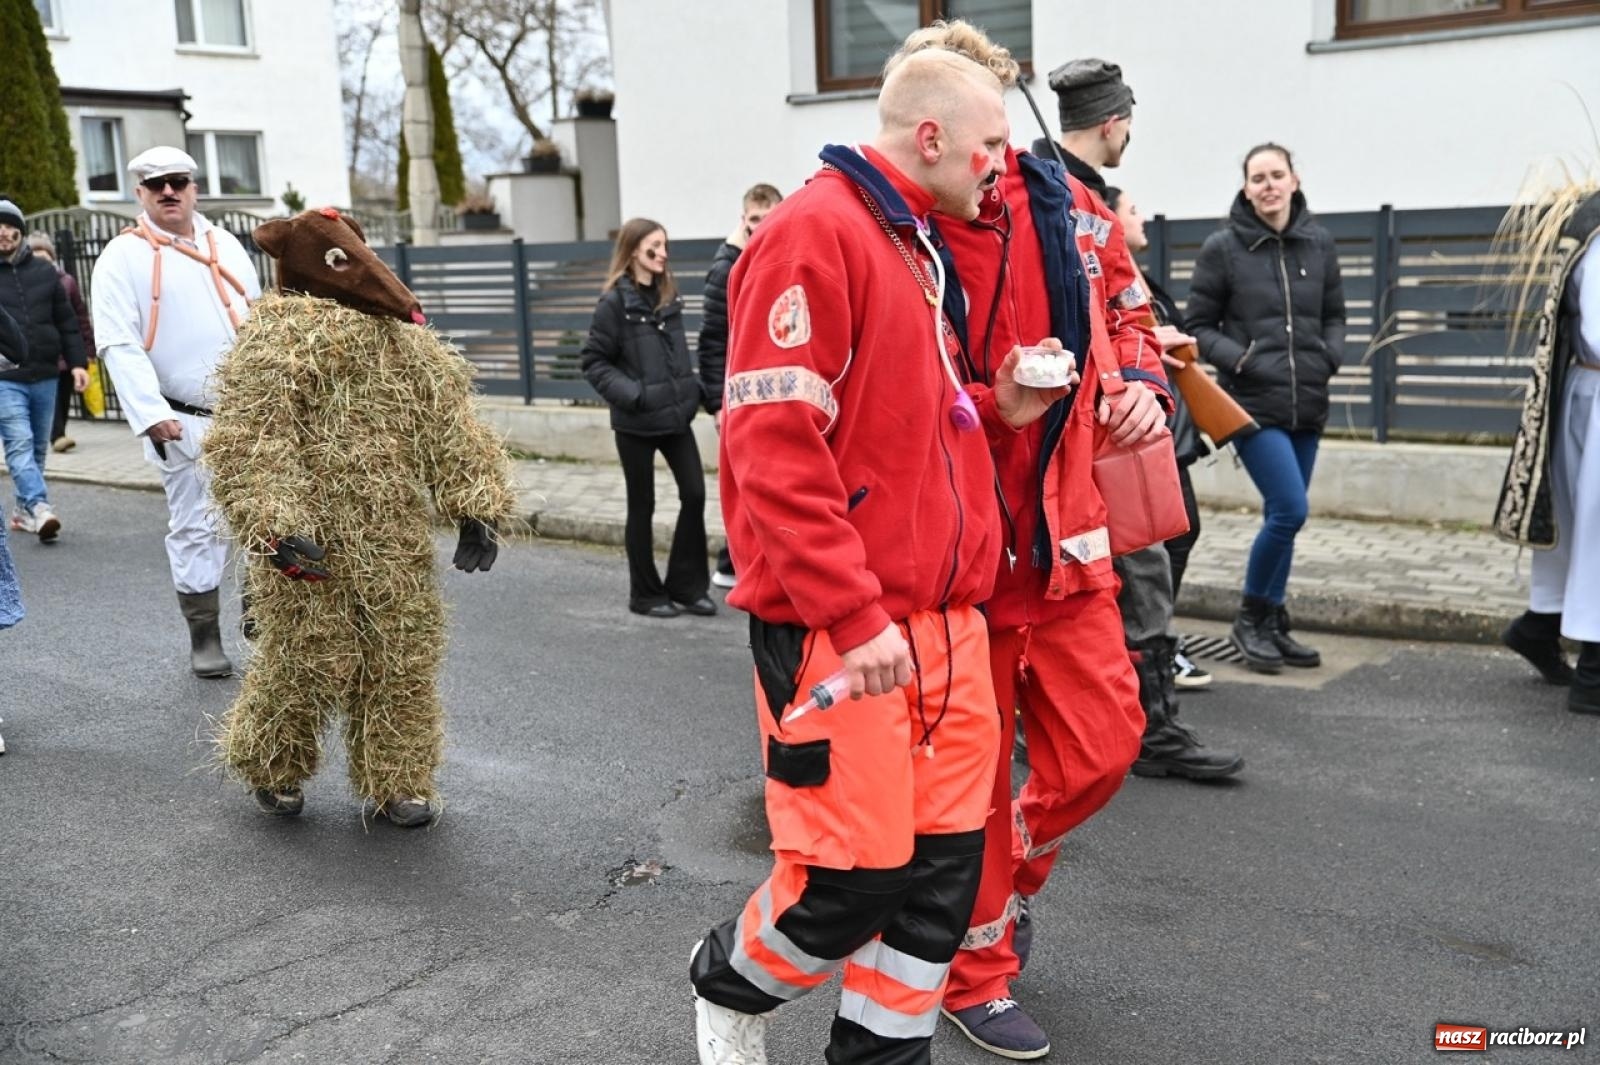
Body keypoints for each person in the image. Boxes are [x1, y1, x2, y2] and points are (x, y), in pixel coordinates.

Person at [687, 48, 1067, 1065]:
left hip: (943, 627)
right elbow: (769, 450)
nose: (1003, 166)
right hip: (844, 633)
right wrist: (854, 619)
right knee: (851, 878)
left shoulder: (911, 241)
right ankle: (727, 986)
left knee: (940, 882)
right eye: (990, 145)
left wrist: (999, 408)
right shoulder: (815, 232)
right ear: (930, 137)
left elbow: (906, 430)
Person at [207, 207, 515, 826]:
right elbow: (254, 439)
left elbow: (448, 426)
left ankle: (398, 779)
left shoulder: (402, 343)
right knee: (304, 658)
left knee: (400, 657)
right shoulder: (277, 339)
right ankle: (274, 763)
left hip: (393, 536)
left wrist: (475, 503)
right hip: (311, 536)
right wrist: (275, 524)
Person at [1185, 142, 1347, 674]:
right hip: (1253, 404)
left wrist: (1330, 355)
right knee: (1290, 509)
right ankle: (1250, 618)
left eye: (1277, 175)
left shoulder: (1319, 244)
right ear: (1246, 187)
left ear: (1295, 180)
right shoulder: (1223, 249)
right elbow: (1199, 327)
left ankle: (1272, 620)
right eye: (1258, 178)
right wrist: (1244, 360)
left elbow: (1334, 314)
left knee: (1288, 516)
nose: (1269, 185)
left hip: (1308, 401)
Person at [1495, 179, 1600, 715]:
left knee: (1582, 526)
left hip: (1584, 391)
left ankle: (1539, 628)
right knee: (1595, 529)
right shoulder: (1596, 226)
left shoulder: (1588, 219)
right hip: (1594, 391)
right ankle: (1594, 676)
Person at [581, 219, 716, 619]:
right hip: (636, 422)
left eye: (664, 246)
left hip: (676, 416)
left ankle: (687, 588)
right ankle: (644, 593)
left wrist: (697, 393)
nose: (663, 254)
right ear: (634, 250)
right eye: (655, 246)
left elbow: (677, 356)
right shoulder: (613, 304)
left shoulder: (668, 294)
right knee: (642, 505)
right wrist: (632, 394)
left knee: (695, 494)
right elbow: (593, 361)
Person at [1104, 187, 1210, 688]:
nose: (1142, 217)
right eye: (1133, 209)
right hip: (1139, 429)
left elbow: (1152, 329)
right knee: (1153, 545)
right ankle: (1152, 660)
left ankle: (1159, 651)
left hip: (1167, 424)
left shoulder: (1139, 278)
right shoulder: (1107, 274)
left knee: (1176, 535)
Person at [698, 183, 784, 590]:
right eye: (754, 221)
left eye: (768, 219)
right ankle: (732, 563)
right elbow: (713, 339)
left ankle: (755, 564)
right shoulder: (726, 268)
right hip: (737, 396)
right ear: (742, 220)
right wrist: (717, 402)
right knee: (746, 483)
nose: (760, 228)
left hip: (774, 390)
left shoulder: (783, 254)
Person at [0, 198, 88, 544]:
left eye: (9, 226)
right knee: (19, 444)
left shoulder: (45, 271)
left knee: (37, 448)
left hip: (47, 373)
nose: (3, 233)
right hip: (5, 376)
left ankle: (23, 512)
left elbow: (68, 322)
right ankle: (39, 507)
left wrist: (78, 363)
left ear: (20, 231)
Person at [26, 231, 96, 454]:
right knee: (46, 393)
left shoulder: (66, 282)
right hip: (39, 353)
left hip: (65, 349)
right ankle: (55, 435)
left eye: (43, 256)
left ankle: (58, 432)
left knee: (63, 394)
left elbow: (79, 316)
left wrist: (88, 347)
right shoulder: (23, 285)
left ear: (51, 257)